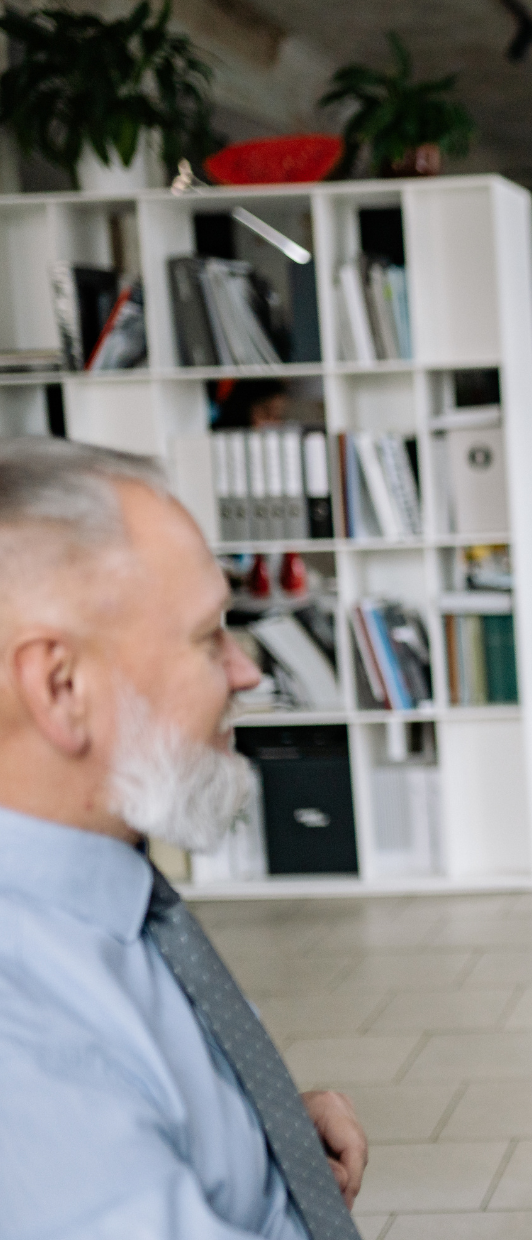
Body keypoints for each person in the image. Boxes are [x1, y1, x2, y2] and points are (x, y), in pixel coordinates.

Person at [0, 438, 368, 1238]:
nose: (246, 673)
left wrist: (254, 1135)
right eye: (209, 638)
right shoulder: (28, 1053)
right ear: (61, 687)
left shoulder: (105, 889)